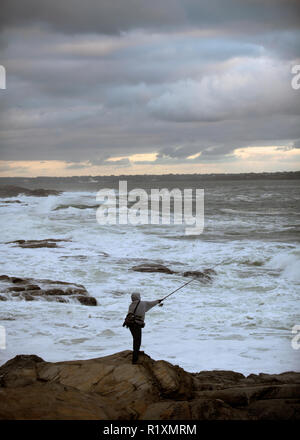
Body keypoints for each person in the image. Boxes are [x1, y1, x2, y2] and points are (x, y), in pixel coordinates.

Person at [127, 292, 162, 364]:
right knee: (137, 341)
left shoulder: (131, 305)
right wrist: (158, 301)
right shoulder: (143, 303)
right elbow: (152, 303)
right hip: (136, 324)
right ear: (138, 297)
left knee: (135, 340)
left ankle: (135, 355)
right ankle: (135, 359)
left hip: (130, 324)